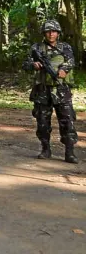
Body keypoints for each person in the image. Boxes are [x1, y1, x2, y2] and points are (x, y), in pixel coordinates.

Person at [22, 20, 78, 164]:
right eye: (48, 31)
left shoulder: (64, 47)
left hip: (61, 89)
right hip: (42, 90)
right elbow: (25, 64)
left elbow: (71, 61)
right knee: (42, 122)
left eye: (53, 31)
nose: (51, 34)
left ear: (58, 33)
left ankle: (70, 152)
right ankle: (45, 149)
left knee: (67, 120)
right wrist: (33, 65)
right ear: (44, 33)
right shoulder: (37, 48)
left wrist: (63, 69)